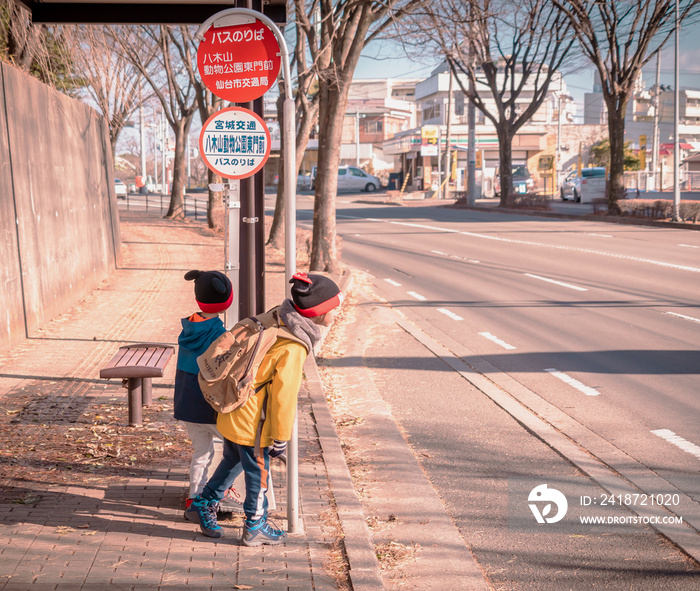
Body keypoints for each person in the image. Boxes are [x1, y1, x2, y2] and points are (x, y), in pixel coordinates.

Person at [185, 272, 343, 546]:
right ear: (317, 313)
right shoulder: (293, 347)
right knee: (258, 471)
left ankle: (203, 502)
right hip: (253, 422)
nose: (336, 314)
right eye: (333, 308)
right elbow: (283, 398)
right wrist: (280, 438)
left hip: (234, 406)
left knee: (233, 460)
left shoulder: (276, 318)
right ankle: (255, 524)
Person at [173, 270, 234, 513]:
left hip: (186, 404)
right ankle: (217, 492)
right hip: (208, 405)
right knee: (235, 449)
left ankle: (194, 495)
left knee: (202, 451)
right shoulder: (220, 334)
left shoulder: (187, 329)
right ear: (226, 299)